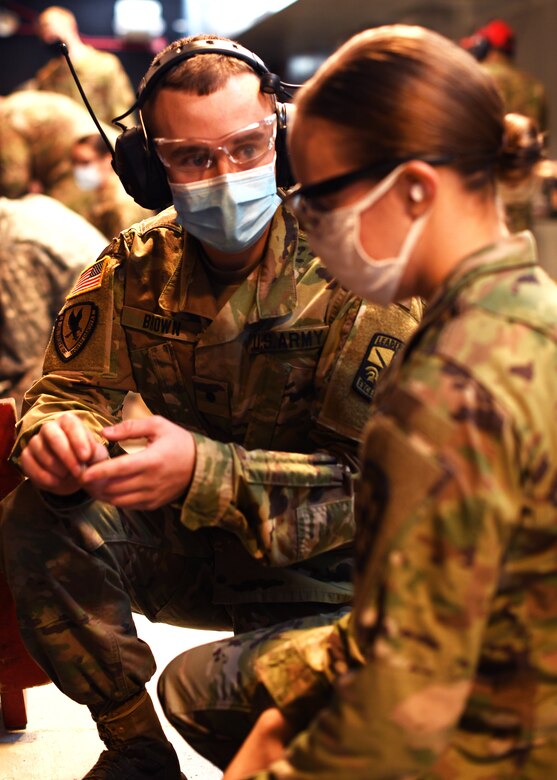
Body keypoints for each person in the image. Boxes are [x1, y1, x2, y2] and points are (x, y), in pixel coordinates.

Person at [0, 33, 422, 780]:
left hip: (332, 568)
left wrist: (201, 472)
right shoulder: (134, 263)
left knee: (218, 703)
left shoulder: (359, 267)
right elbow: (69, 389)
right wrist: (57, 433)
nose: (223, 176)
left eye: (246, 148)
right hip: (192, 549)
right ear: (146, 166)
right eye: (191, 158)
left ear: (283, 144)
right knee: (35, 515)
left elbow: (374, 488)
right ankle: (134, 749)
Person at [167, 24, 555, 779]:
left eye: (319, 199)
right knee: (226, 688)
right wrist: (285, 717)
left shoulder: (447, 388)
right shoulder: (526, 312)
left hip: (509, 734)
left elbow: (408, 703)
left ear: (413, 187)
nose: (307, 224)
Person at [0, 194, 108, 412]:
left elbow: (27, 362)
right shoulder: (29, 206)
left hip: (105, 374)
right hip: (106, 339)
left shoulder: (10, 249)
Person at [462, 18, 549, 232]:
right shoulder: (534, 87)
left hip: (483, 191)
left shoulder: (476, 78)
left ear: (484, 45)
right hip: (522, 190)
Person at [26, 5, 136, 125]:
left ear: (70, 24)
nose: (45, 33)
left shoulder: (105, 65)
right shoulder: (47, 76)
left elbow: (122, 112)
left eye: (47, 25)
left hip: (101, 137)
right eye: (41, 29)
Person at [0, 90, 106, 199]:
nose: (81, 168)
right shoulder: (70, 135)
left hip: (20, 124)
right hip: (9, 120)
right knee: (13, 183)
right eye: (84, 162)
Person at [62, 134, 153, 239]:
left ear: (107, 159)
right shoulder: (100, 198)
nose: (78, 169)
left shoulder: (121, 203)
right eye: (75, 163)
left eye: (85, 162)